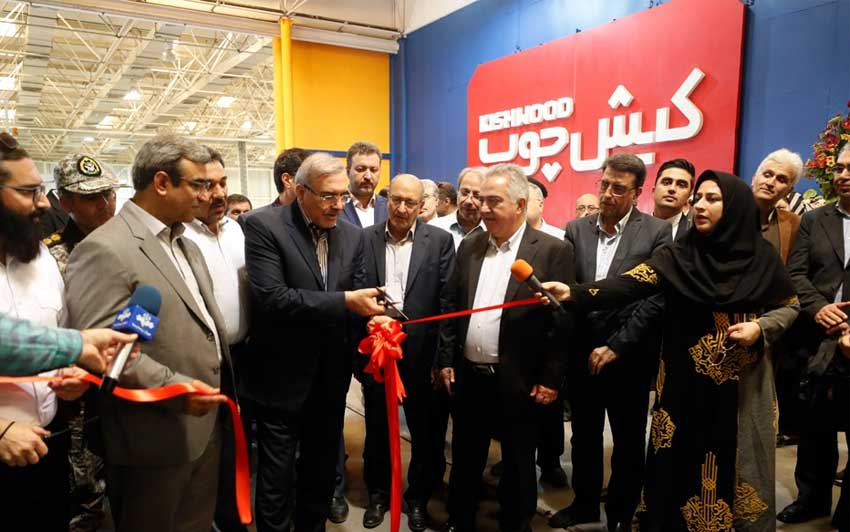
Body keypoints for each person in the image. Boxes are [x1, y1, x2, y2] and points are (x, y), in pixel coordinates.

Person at [541, 170, 800, 532]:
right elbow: (629, 284)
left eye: (712, 199)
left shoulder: (763, 258)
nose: (700, 205)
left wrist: (760, 327)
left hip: (740, 384)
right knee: (677, 459)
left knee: (735, 461)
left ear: (735, 207)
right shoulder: (679, 256)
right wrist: (575, 293)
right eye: (699, 198)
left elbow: (789, 306)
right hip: (682, 383)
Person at [63, 134, 233, 532]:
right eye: (198, 184)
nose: (207, 195)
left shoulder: (186, 244)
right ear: (161, 183)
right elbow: (105, 349)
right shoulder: (105, 249)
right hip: (152, 435)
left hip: (203, 424)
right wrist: (176, 388)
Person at [241, 152, 384, 532]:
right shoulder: (263, 226)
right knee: (276, 478)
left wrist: (375, 317)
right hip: (279, 379)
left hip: (330, 379)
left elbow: (357, 294)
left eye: (343, 196)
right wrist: (345, 301)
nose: (338, 205)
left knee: (320, 474)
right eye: (328, 196)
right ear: (301, 191)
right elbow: (273, 298)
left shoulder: (352, 236)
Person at [437, 163, 574, 532]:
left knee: (518, 461)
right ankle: (460, 520)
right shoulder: (470, 245)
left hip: (519, 380)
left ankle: (516, 523)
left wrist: (551, 379)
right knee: (466, 457)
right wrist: (446, 359)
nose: (482, 208)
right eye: (481, 200)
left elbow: (562, 323)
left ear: (520, 204)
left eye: (493, 201)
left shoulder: (553, 251)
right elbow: (453, 306)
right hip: (469, 376)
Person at [549, 153, 670, 531]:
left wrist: (617, 345)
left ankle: (620, 513)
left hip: (629, 354)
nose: (607, 194)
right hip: (582, 352)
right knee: (584, 437)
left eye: (618, 188)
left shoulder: (655, 232)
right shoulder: (576, 229)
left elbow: (654, 298)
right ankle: (584, 504)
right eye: (604, 184)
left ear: (636, 193)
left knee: (628, 441)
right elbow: (571, 290)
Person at [0, 132, 92, 530]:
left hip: (47, 443)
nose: (44, 203)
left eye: (41, 190)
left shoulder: (41, 259)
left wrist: (73, 374)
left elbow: (65, 333)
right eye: (28, 192)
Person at [360, 174, 455, 530]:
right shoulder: (364, 238)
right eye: (396, 200)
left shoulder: (439, 241)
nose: (401, 208)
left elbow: (447, 302)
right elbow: (354, 289)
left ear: (422, 205)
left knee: (424, 433)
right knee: (377, 429)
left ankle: (417, 499)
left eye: (410, 202)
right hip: (377, 352)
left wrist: (442, 359)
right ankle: (378, 495)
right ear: (387, 199)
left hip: (422, 355)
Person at [47, 152, 120, 532]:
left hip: (126, 380)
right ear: (65, 202)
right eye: (92, 197)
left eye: (108, 193)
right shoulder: (49, 257)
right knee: (85, 494)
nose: (105, 204)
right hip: (78, 393)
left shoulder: (131, 245)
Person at [778, 143, 850, 526]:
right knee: (814, 427)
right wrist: (819, 308)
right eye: (839, 167)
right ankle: (812, 499)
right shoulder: (814, 219)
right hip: (816, 337)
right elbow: (795, 274)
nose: (843, 175)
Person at [182, 147, 251, 532]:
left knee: (237, 443)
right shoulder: (178, 238)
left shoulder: (237, 231)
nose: (219, 193)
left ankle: (232, 515)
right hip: (203, 362)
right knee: (206, 449)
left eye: (223, 182)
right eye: (207, 185)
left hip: (243, 356)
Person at [0, 315, 136, 376]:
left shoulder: (49, 270)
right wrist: (81, 344)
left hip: (51, 419)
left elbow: (62, 329)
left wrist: (70, 369)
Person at [430, 167, 486, 248]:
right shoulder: (435, 227)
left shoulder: (493, 233)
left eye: (477, 195)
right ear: (458, 193)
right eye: (464, 193)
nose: (468, 201)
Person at [340, 141, 388, 228]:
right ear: (348, 171)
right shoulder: (335, 206)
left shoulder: (389, 208)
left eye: (373, 170)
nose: (368, 176)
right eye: (360, 169)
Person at [651, 158, 695, 240]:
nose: (672, 189)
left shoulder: (695, 235)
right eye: (666, 183)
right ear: (653, 190)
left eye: (681, 185)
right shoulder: (631, 229)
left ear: (689, 196)